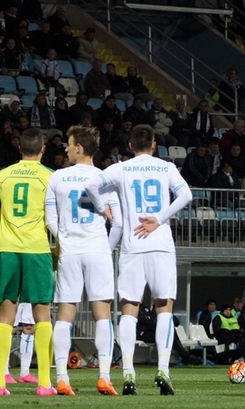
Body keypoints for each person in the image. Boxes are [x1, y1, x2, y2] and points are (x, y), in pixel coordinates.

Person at [85, 124, 193, 395]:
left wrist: (103, 208)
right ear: (154, 145)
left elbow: (90, 185)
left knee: (129, 309)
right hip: (161, 246)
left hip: (132, 246)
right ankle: (164, 369)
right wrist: (159, 218)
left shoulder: (121, 168)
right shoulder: (166, 167)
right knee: (164, 308)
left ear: (130, 145)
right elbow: (186, 195)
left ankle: (128, 373)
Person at [46, 125, 122, 396]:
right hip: (97, 250)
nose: (66, 149)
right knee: (102, 315)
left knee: (65, 315)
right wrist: (105, 248)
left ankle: (62, 378)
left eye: (68, 144)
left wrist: (65, 239)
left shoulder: (57, 177)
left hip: (70, 252)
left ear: (79, 147)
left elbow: (50, 219)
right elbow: (118, 222)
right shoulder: (105, 178)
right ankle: (104, 377)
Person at [0, 128, 55, 396]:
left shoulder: (2, 176)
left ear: (20, 149)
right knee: (42, 316)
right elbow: (53, 218)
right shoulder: (50, 176)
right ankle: (44, 383)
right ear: (43, 149)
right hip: (36, 249)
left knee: (6, 317)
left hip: (7, 248)